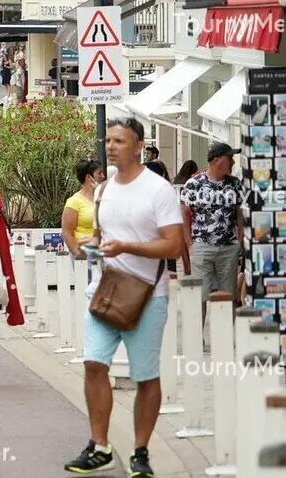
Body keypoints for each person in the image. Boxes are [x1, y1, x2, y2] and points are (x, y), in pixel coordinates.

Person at [63, 118, 183, 478]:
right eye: (108, 140)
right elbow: (103, 235)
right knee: (93, 364)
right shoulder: (102, 190)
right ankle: (99, 445)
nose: (111, 146)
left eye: (119, 141)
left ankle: (141, 452)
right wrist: (93, 245)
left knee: (146, 376)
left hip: (147, 293)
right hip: (105, 289)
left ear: (138, 145)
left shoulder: (158, 190)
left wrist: (127, 246)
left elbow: (174, 244)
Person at [180, 142, 243, 322]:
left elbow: (239, 212)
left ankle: (224, 337)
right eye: (229, 158)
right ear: (217, 160)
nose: (232, 162)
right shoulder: (194, 184)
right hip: (201, 245)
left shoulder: (235, 184)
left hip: (228, 246)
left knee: (227, 295)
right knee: (199, 294)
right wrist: (189, 242)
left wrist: (238, 240)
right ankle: (196, 338)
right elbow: (184, 212)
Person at [61, 159, 104, 258]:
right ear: (89, 177)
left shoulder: (102, 199)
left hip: (102, 253)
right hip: (84, 255)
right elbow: (67, 233)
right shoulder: (74, 201)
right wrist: (79, 256)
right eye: (99, 173)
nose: (103, 176)